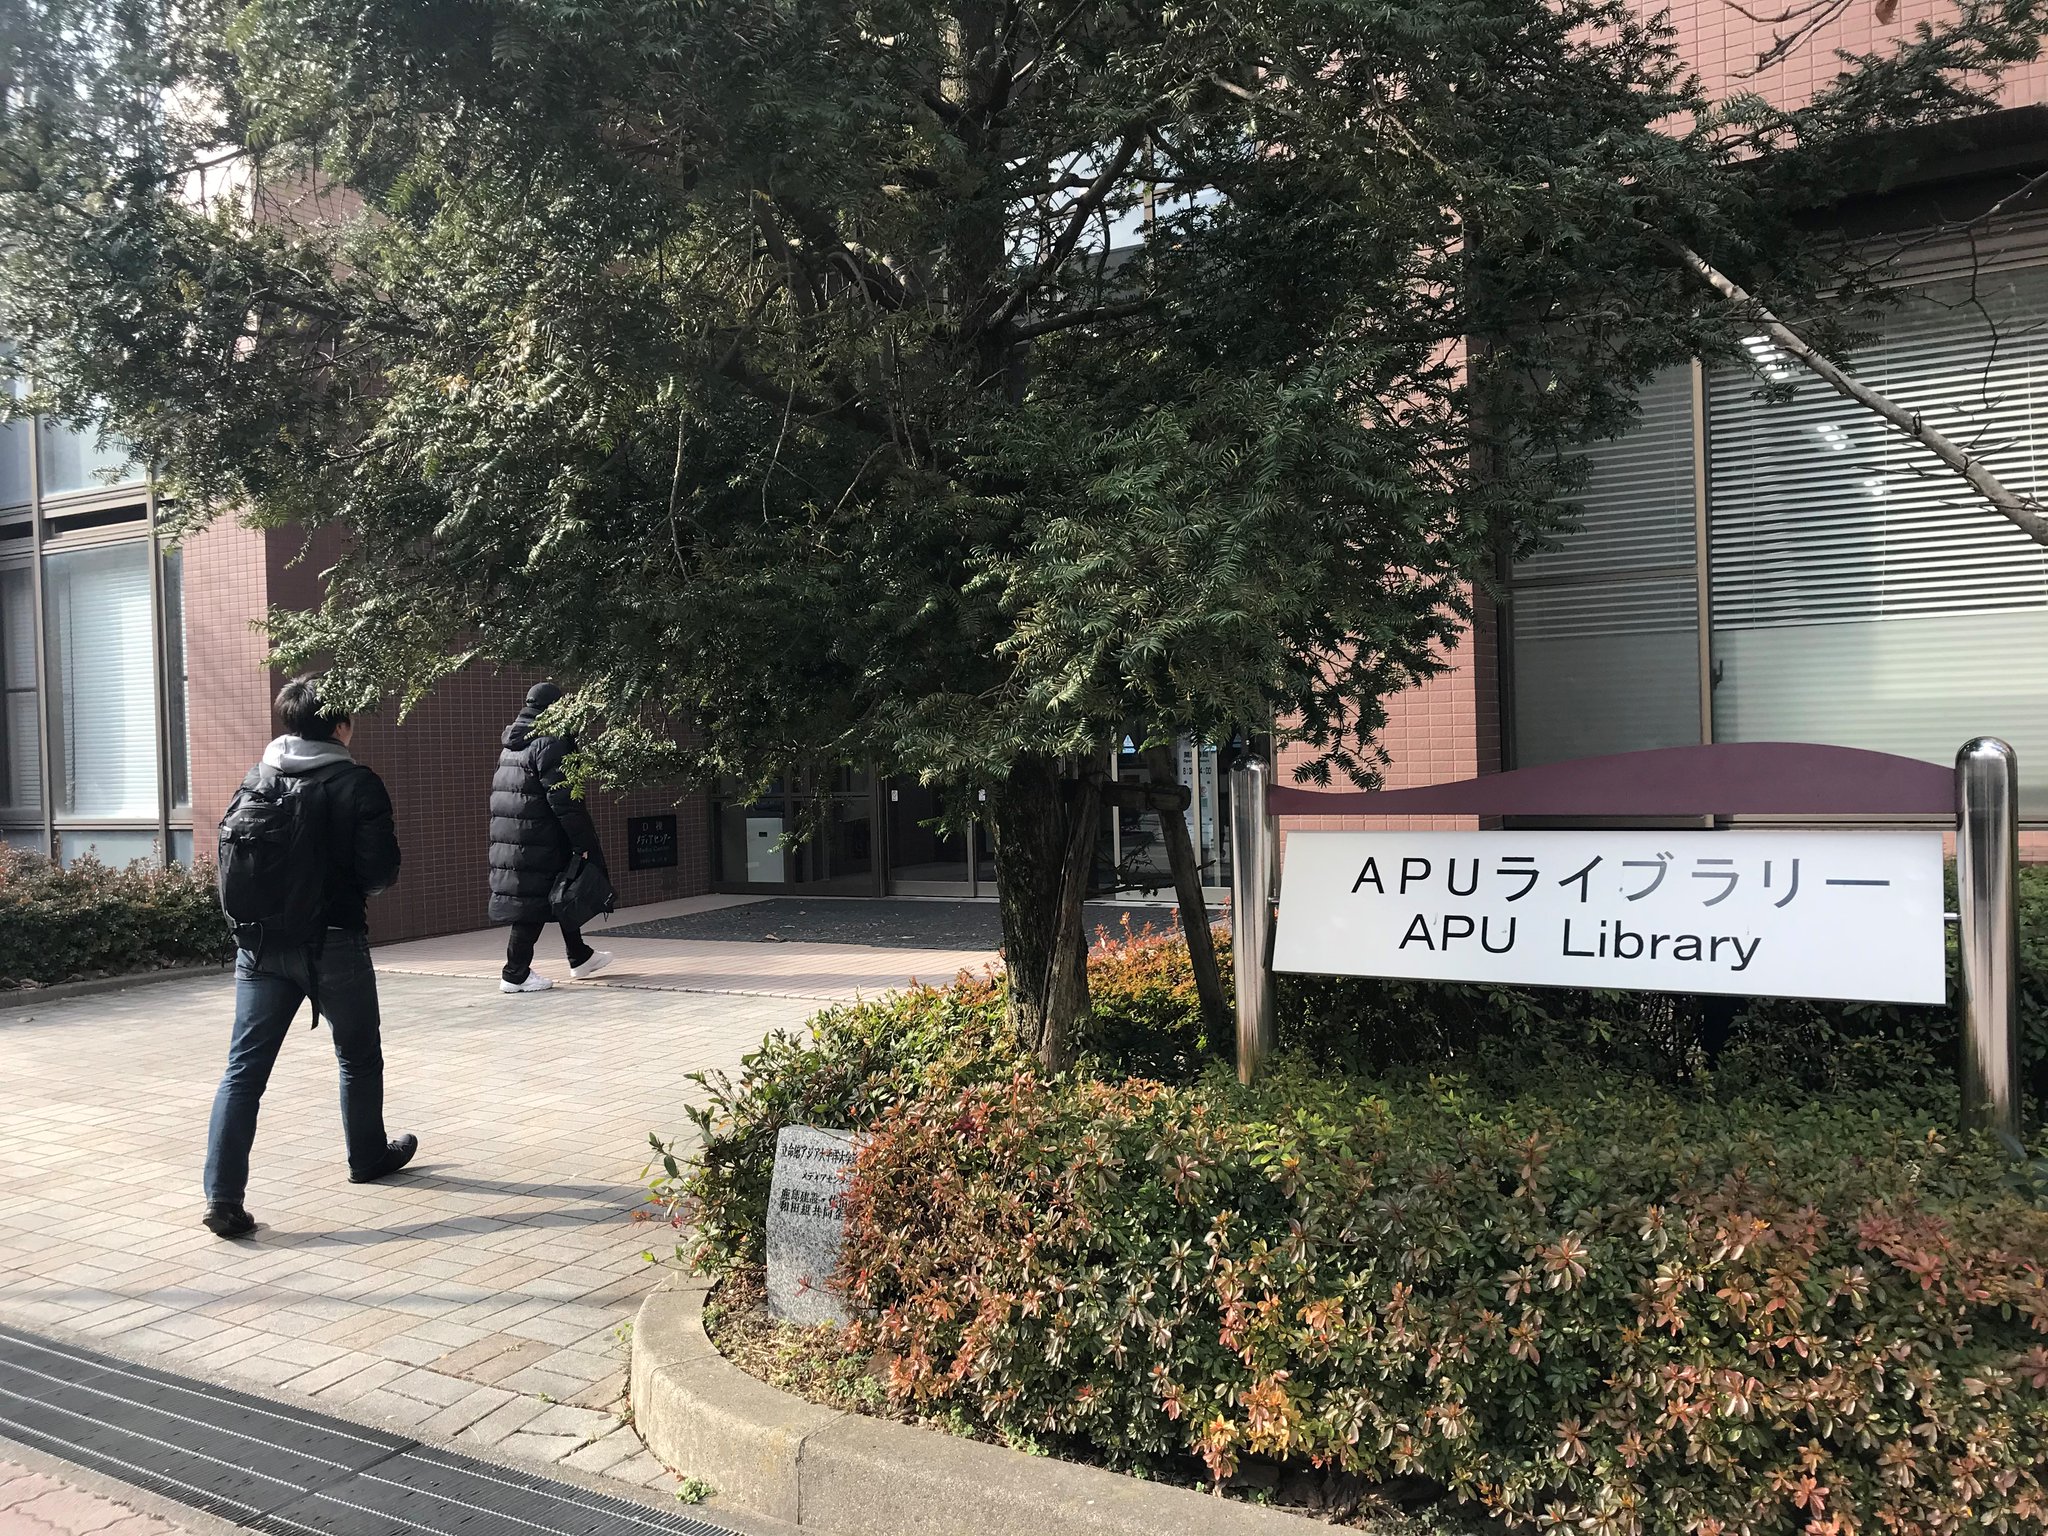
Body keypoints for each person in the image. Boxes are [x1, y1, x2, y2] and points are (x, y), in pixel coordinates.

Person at [202, 677, 416, 1239]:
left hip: (260, 947)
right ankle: (367, 1157)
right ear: (340, 726)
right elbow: (380, 874)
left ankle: (223, 1198)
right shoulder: (357, 783)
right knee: (358, 1057)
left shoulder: (257, 777)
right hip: (335, 941)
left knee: (243, 1072)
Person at [489, 681, 613, 993]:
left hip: (518, 834)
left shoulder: (513, 744)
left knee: (560, 891)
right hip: (541, 835)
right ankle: (515, 973)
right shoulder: (550, 742)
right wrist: (583, 843)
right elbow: (565, 800)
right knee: (533, 905)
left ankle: (580, 956)